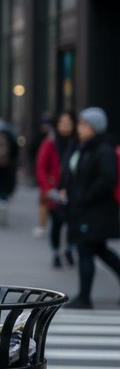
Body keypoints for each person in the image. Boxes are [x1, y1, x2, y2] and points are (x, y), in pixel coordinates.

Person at [62, 108, 120, 309]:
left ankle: (84, 298)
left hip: (95, 211)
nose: (79, 128)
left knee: (86, 250)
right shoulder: (83, 147)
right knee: (99, 250)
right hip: (84, 209)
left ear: (95, 127)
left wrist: (84, 197)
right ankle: (84, 297)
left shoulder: (103, 149)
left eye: (84, 124)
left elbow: (108, 179)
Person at [36, 111, 76, 268]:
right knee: (57, 224)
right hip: (54, 191)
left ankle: (70, 249)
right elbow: (41, 167)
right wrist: (48, 189)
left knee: (73, 224)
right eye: (62, 122)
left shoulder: (78, 142)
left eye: (69, 122)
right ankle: (56, 252)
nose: (66, 125)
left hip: (73, 191)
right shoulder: (50, 143)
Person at [31, 113, 55, 238]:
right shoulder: (50, 140)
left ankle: (42, 227)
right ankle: (43, 226)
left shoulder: (49, 139)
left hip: (51, 175)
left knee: (45, 202)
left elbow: (32, 148)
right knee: (45, 201)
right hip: (49, 175)